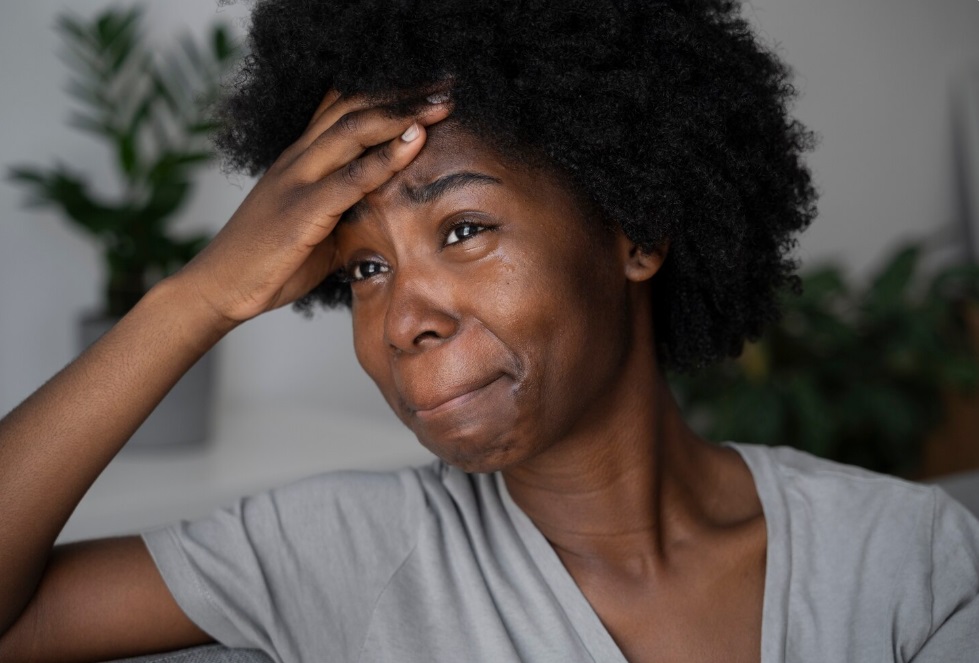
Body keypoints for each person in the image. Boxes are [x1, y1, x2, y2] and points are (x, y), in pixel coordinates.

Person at [1, 0, 977, 661]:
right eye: (365, 269)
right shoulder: (336, 551)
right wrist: (199, 296)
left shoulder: (903, 565)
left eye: (462, 229)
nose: (404, 318)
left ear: (632, 230)